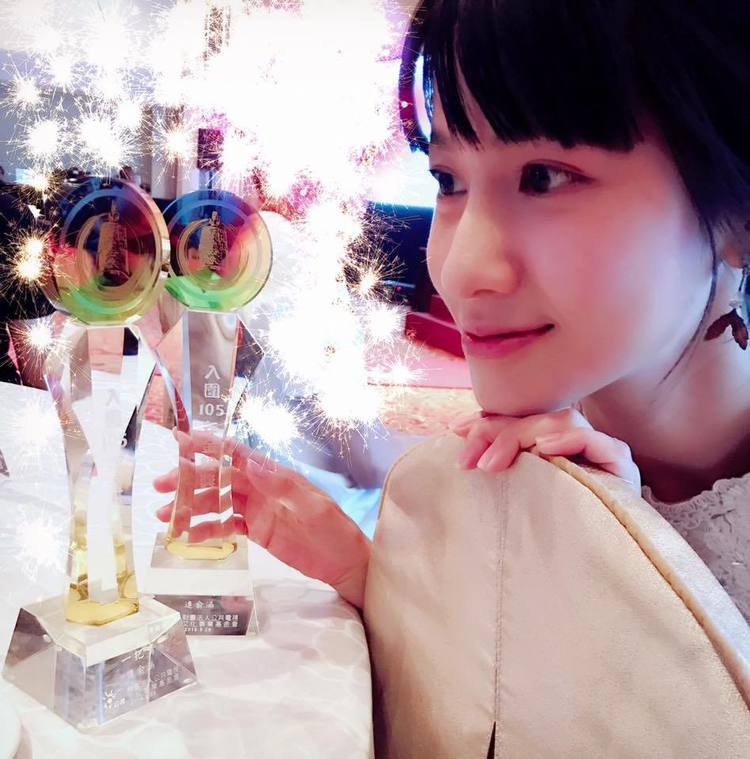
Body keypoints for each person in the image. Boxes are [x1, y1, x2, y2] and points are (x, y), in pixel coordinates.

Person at [155, 0, 750, 626]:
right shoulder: (517, 461)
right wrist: (367, 575)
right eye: (447, 180)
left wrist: (626, 572)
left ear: (736, 213)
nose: (461, 269)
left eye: (544, 178)